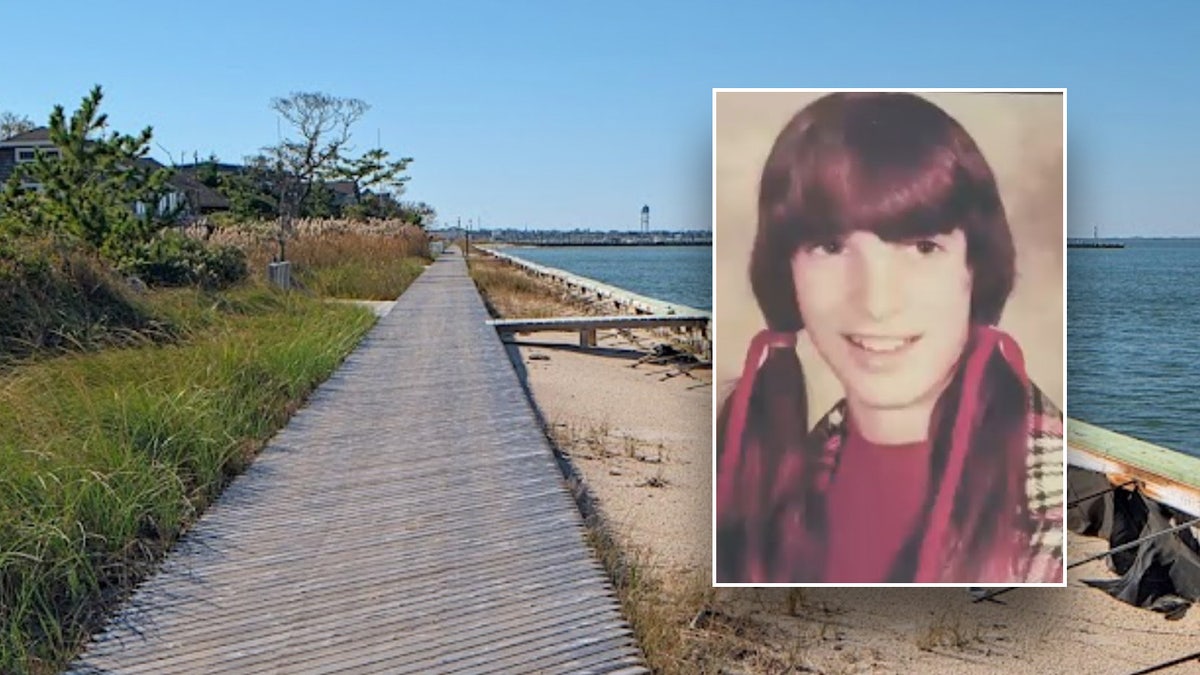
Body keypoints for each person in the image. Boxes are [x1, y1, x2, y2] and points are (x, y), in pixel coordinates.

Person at [715, 92, 1064, 584]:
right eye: (831, 246)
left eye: (922, 246)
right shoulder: (777, 476)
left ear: (976, 268)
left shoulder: (1047, 510)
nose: (876, 302)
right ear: (786, 274)